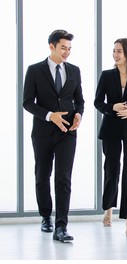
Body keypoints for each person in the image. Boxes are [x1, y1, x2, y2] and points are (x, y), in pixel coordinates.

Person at [23, 29, 85, 242]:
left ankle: (61, 226)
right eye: (63, 48)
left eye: (69, 48)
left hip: (67, 132)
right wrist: (50, 116)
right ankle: (45, 217)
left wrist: (79, 114)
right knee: (42, 175)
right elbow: (28, 102)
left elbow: (80, 100)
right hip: (42, 132)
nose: (67, 52)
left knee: (63, 178)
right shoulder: (34, 70)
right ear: (51, 47)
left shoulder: (75, 71)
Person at [94, 38, 127, 237]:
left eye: (119, 51)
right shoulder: (107, 76)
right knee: (112, 169)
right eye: (114, 51)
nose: (115, 54)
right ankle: (108, 208)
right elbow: (98, 102)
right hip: (111, 129)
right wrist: (112, 108)